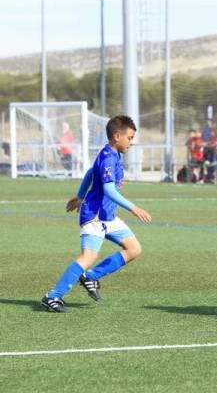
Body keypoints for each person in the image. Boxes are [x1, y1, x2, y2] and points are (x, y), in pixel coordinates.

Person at [41, 115, 152, 313]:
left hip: (108, 216)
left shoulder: (112, 154)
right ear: (117, 136)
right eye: (129, 138)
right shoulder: (109, 157)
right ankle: (52, 296)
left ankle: (91, 276)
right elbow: (109, 190)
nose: (131, 142)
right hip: (95, 216)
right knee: (88, 256)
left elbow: (90, 173)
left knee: (134, 249)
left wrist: (80, 195)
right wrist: (133, 208)